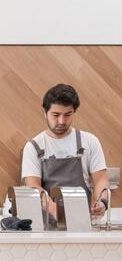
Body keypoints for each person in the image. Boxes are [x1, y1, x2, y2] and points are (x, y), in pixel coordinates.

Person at [21, 84, 109, 220]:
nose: (62, 121)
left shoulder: (90, 141)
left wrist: (102, 203)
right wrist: (57, 212)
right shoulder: (33, 147)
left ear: (74, 112)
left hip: (83, 223)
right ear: (45, 113)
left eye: (67, 115)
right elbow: (33, 186)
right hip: (47, 226)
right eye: (56, 115)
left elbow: (101, 179)